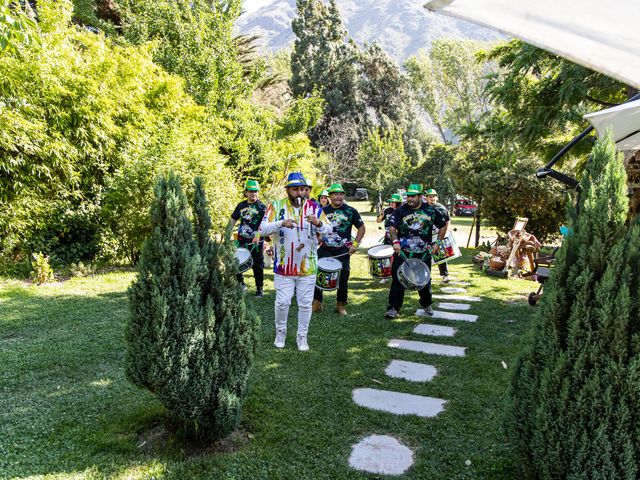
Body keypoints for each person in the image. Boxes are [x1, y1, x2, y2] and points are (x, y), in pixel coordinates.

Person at [259, 172, 331, 351]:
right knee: (282, 302)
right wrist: (280, 223)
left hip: (308, 266)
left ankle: (302, 337)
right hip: (283, 266)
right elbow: (261, 229)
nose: (299, 193)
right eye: (295, 189)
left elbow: (329, 229)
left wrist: (318, 224)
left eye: (302, 189)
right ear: (288, 190)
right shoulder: (275, 206)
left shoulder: (315, 207)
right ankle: (280, 333)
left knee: (306, 304)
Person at [385, 183, 447, 319]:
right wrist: (395, 242)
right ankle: (394, 308)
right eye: (408, 196)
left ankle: (426, 304)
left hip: (423, 253)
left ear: (420, 196)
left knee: (424, 280)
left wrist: (437, 243)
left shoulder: (430, 211)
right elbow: (392, 228)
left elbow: (442, 226)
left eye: (413, 196)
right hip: (403, 252)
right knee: (397, 279)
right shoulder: (400, 211)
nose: (409, 199)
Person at [312, 183, 366, 316]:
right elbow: (315, 228)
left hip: (343, 250)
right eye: (335, 194)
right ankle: (317, 302)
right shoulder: (322, 211)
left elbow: (362, 228)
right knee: (317, 274)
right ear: (329, 196)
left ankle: (340, 304)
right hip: (325, 248)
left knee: (343, 277)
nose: (338, 197)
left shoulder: (351, 211)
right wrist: (317, 239)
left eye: (341, 194)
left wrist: (355, 244)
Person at [228, 179, 267, 297]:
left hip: (256, 241)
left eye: (255, 191)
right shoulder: (241, 205)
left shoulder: (262, 207)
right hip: (241, 240)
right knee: (236, 262)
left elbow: (265, 224)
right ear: (246, 192)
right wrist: (227, 233)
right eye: (250, 191)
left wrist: (258, 235)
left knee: (258, 265)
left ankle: (259, 288)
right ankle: (241, 284)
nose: (253, 194)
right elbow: (233, 220)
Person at [425, 188, 451, 283]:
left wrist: (445, 233)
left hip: (438, 235)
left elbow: (447, 221)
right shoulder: (423, 208)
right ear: (426, 198)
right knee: (425, 256)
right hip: (426, 235)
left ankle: (445, 275)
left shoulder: (442, 208)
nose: (432, 198)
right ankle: (426, 275)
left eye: (434, 196)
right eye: (430, 196)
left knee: (441, 255)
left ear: (437, 197)